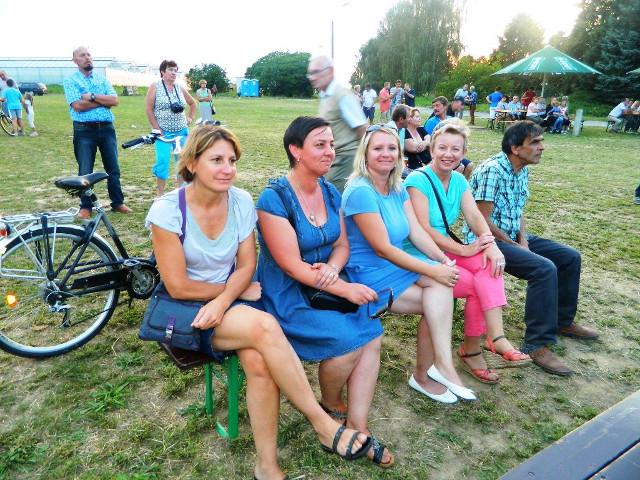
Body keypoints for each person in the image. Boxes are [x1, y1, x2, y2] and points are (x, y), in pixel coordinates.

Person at [147, 124, 373, 480]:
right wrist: (227, 297)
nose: (228, 169)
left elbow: (246, 266)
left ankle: (266, 467)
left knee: (258, 363)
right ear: (192, 163)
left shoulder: (239, 201)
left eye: (232, 160)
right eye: (216, 160)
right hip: (188, 308)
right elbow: (178, 285)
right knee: (265, 327)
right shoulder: (168, 211)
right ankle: (322, 423)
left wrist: (228, 297)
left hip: (233, 301)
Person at [256, 117, 395, 468]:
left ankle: (358, 425)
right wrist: (344, 288)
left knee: (373, 333)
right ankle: (331, 404)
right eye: (320, 144)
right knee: (351, 341)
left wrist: (333, 269)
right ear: (295, 150)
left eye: (331, 144)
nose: (330, 151)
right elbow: (292, 267)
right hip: (289, 295)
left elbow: (342, 246)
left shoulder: (330, 191)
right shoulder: (274, 199)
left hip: (326, 286)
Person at [342, 125, 477, 404]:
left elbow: (416, 232)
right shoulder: (360, 190)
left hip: (395, 266)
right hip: (368, 273)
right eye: (378, 148)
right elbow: (382, 248)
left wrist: (442, 260)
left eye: (392, 148)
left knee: (441, 289)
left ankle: (439, 367)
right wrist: (432, 269)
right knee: (437, 299)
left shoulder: (397, 187)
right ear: (365, 153)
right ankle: (430, 372)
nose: (386, 153)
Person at [466, 121, 599, 377]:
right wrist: (514, 245)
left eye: (541, 141)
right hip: (487, 241)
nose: (542, 147)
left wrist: (524, 241)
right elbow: (481, 221)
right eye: (535, 142)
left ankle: (562, 321)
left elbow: (518, 210)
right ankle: (537, 344)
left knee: (569, 257)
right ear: (515, 148)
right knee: (543, 268)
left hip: (513, 236)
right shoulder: (492, 170)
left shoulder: (521, 169)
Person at [404, 119, 530, 384]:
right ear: (432, 149)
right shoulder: (417, 179)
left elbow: (474, 216)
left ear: (464, 152)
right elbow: (424, 229)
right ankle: (474, 349)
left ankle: (495, 337)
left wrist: (490, 245)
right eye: (442, 148)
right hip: (419, 253)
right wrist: (464, 248)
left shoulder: (460, 180)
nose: (448, 154)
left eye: (456, 149)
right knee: (475, 285)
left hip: (446, 250)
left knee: (490, 264)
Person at [63, 46, 131, 219]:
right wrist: (103, 101)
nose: (87, 57)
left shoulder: (102, 79)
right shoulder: (70, 80)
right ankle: (86, 206)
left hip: (107, 129)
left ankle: (117, 202)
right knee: (85, 169)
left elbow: (114, 100)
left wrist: (92, 97)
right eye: (82, 55)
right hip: (84, 130)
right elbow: (78, 106)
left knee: (113, 168)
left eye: (89, 54)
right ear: (75, 60)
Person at [307, 55, 367, 192]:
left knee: (336, 199)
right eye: (310, 73)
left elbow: (363, 129)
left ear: (330, 71)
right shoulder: (326, 95)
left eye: (316, 72)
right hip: (333, 160)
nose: (312, 77)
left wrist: (364, 161)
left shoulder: (343, 96)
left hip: (346, 161)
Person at [145, 60, 197, 197]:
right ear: (162, 71)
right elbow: (149, 109)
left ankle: (180, 193)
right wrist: (156, 128)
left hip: (181, 132)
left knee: (182, 162)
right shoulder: (155, 86)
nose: (174, 73)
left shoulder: (179, 87)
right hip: (163, 133)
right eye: (170, 70)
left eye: (175, 70)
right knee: (162, 162)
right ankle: (160, 195)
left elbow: (193, 103)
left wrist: (190, 118)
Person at [425, 97, 474, 179]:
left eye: (437, 105)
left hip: (451, 150)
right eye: (433, 106)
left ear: (445, 106)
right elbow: (430, 141)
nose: (435, 108)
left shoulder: (452, 119)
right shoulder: (431, 122)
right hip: (436, 153)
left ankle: (458, 183)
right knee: (459, 167)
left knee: (469, 165)